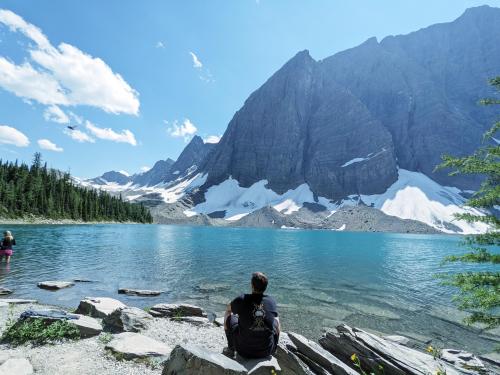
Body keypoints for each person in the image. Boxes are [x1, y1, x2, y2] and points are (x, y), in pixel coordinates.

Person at [223, 272, 280, 359]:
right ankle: (275, 347)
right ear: (266, 287)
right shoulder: (271, 301)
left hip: (243, 350)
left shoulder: (242, 299)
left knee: (228, 315)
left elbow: (228, 309)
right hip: (266, 351)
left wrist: (242, 314)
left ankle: (231, 348)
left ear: (252, 285)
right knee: (277, 319)